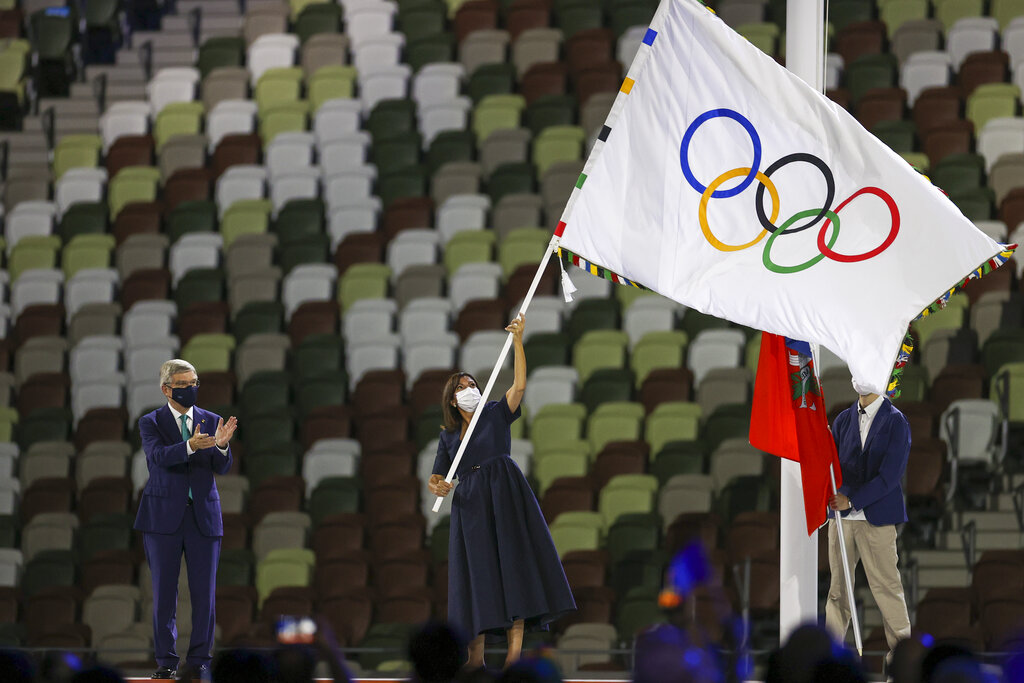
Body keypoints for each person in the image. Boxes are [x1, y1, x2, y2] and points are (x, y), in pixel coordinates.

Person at [428, 314, 576, 669]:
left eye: (471, 383)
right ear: (452, 400)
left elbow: (520, 387)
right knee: (477, 577)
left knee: (514, 570)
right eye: (462, 387)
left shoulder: (495, 413)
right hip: (470, 506)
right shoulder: (448, 437)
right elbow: (436, 479)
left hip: (505, 493)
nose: (470, 389)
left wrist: (519, 341)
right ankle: (474, 660)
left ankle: (513, 661)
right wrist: (441, 486)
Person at [134, 359, 238, 679]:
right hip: (162, 519)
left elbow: (221, 467)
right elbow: (157, 458)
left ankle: (200, 662)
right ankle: (166, 663)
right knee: (164, 594)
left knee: (204, 595)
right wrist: (189, 446)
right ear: (167, 389)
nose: (191, 389)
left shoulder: (212, 419)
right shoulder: (151, 422)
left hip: (203, 518)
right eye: (183, 385)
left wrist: (221, 447)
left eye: (195, 383)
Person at [825, 384, 912, 660]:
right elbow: (836, 466)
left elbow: (889, 475)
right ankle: (828, 659)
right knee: (838, 591)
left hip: (876, 518)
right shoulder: (843, 419)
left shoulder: (896, 421)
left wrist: (852, 500)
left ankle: (903, 662)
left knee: (887, 589)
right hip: (842, 520)